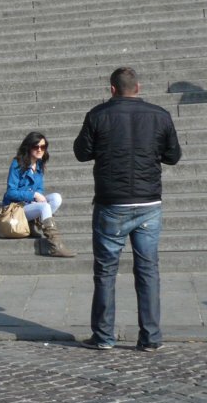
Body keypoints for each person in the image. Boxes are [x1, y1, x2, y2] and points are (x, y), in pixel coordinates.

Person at [74, 67, 182, 351]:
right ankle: (150, 337)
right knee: (148, 270)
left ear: (112, 89)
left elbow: (81, 153)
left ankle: (104, 336)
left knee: (106, 271)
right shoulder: (160, 115)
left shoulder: (97, 115)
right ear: (138, 87)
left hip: (112, 203)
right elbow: (173, 156)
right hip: (148, 202)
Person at [3, 132, 74, 257]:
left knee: (56, 198)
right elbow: (10, 192)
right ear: (29, 147)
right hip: (16, 208)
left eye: (43, 146)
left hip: (30, 205)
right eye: (36, 147)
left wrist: (36, 196)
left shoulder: (39, 164)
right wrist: (33, 195)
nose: (40, 150)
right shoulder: (17, 164)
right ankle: (56, 246)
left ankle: (32, 224)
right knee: (44, 206)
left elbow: (40, 188)